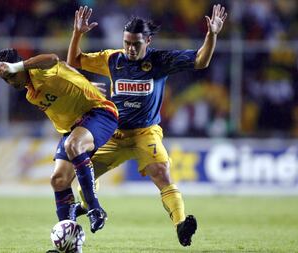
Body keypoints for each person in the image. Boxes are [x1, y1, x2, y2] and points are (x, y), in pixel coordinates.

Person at [67, 4, 227, 247]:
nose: (130, 48)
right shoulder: (113, 59)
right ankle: (87, 205)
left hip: (145, 133)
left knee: (161, 172)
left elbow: (201, 61)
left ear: (148, 40)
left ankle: (182, 224)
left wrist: (211, 35)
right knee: (83, 174)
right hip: (113, 132)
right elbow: (75, 61)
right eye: (126, 42)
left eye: (136, 44)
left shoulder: (161, 60)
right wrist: (78, 33)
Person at [0, 48, 119, 234]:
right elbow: (64, 67)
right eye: (6, 79)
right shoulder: (31, 95)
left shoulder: (40, 71)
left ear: (19, 66)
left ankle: (94, 209)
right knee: (58, 180)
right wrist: (84, 82)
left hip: (99, 112)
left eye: (11, 75)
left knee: (73, 145)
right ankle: (69, 239)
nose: (9, 81)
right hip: (74, 128)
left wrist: (16, 66)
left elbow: (53, 59)